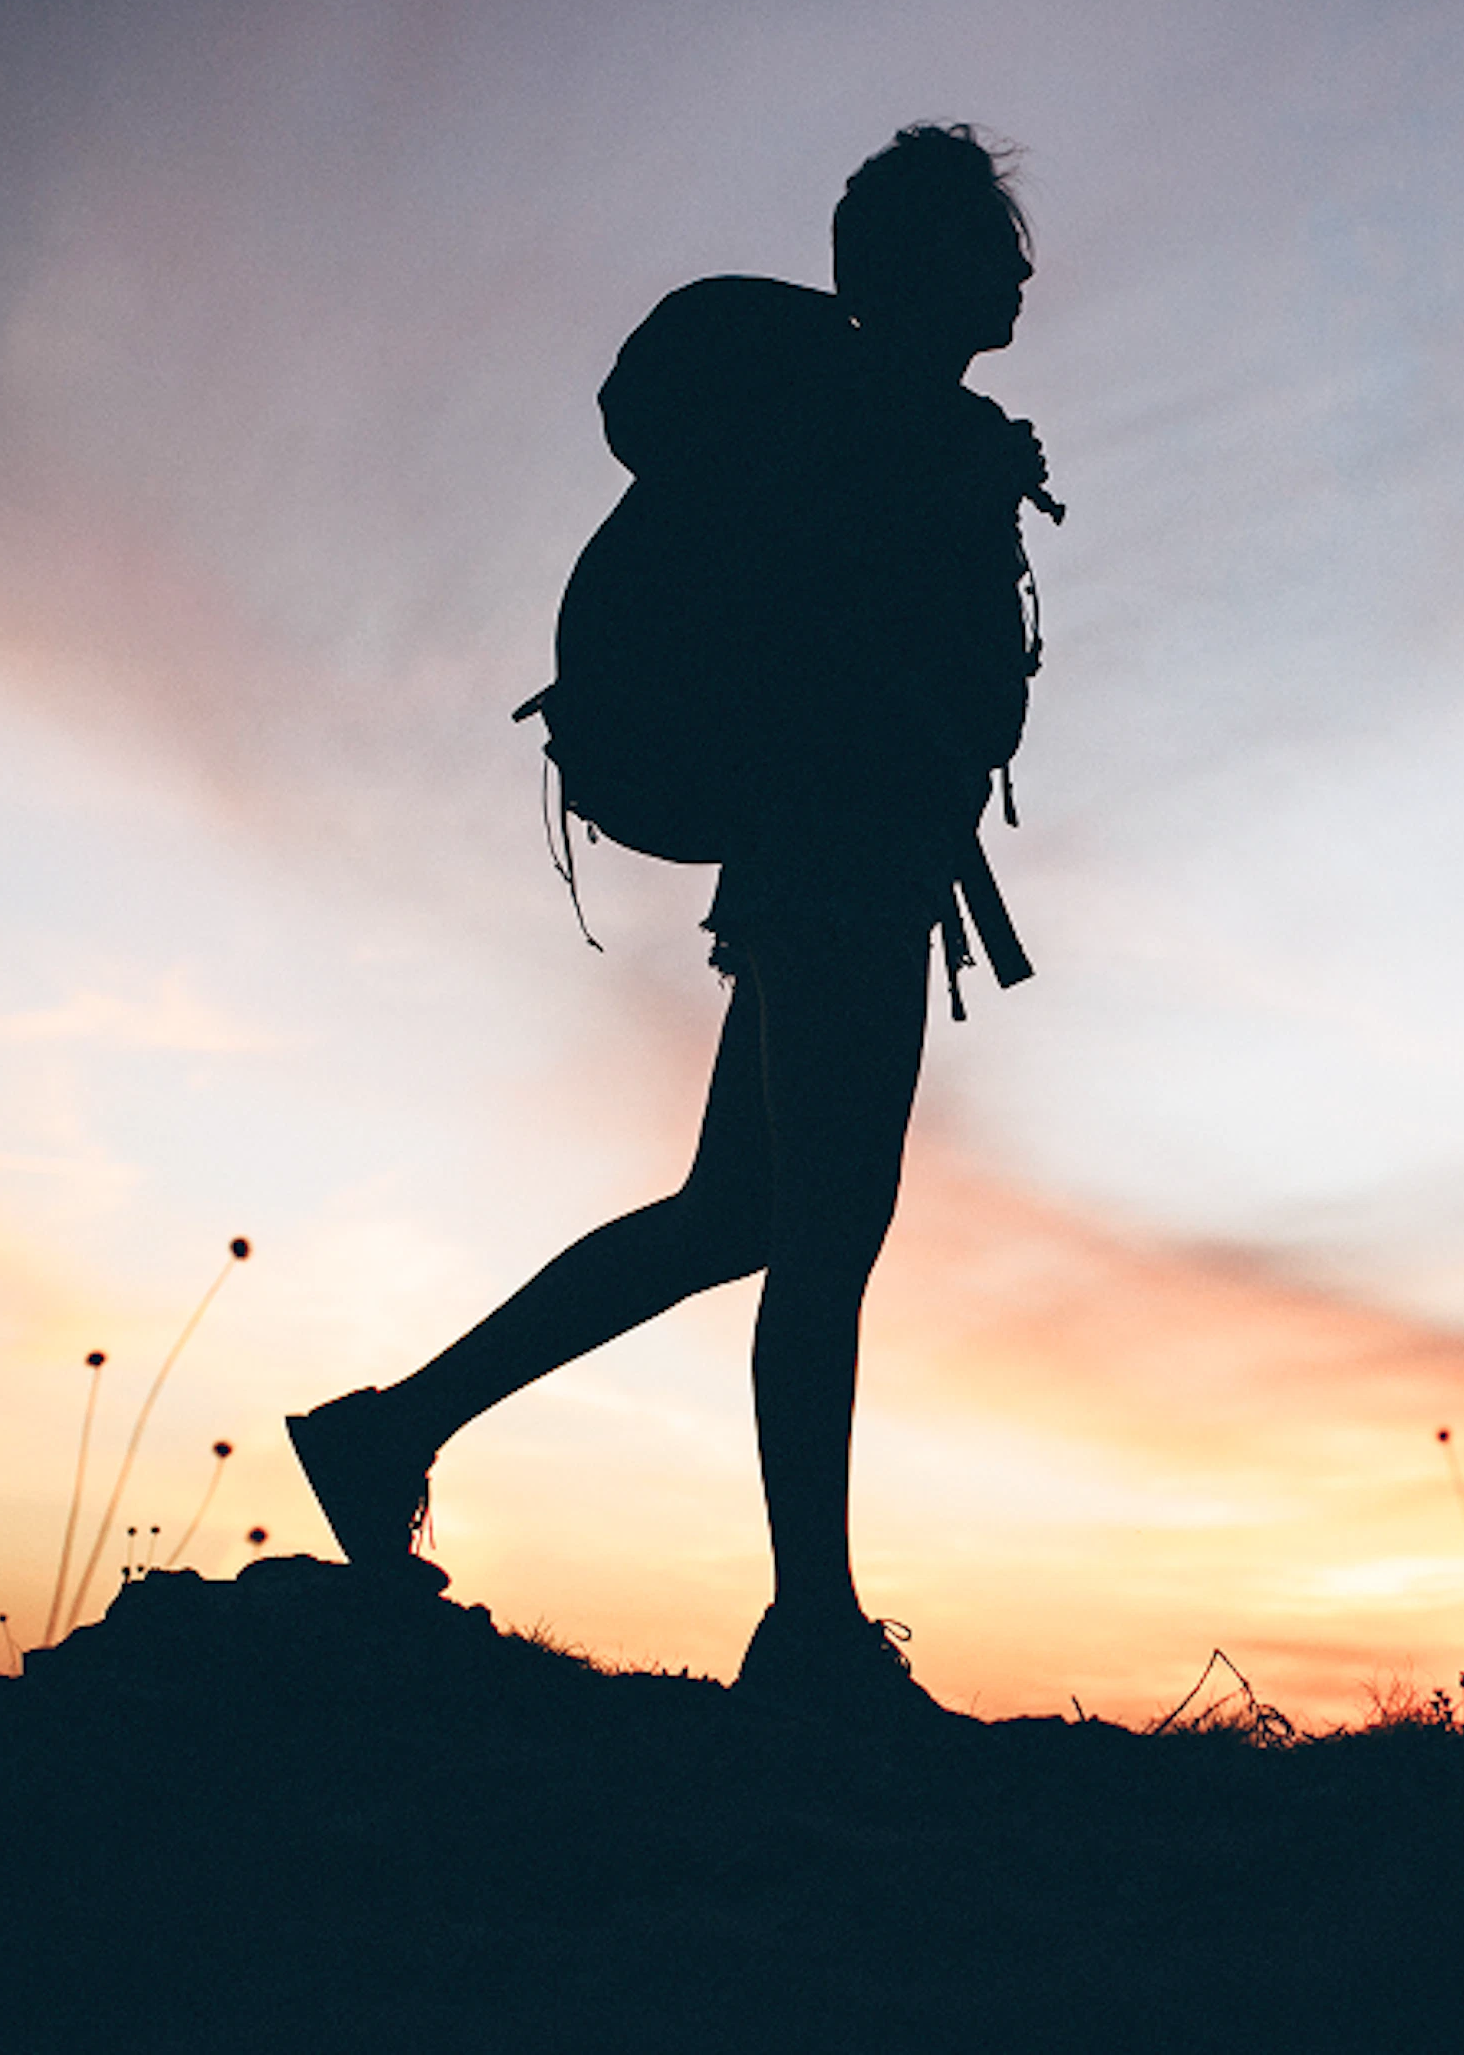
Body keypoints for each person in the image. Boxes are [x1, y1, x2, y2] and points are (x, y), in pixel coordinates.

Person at [288, 125, 1050, 1730]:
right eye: (994, 244)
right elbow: (884, 673)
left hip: (822, 863)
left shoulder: (864, 427)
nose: (1023, 271)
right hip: (843, 869)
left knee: (735, 1219)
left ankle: (388, 1432)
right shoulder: (894, 435)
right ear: (930, 264)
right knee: (824, 1243)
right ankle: (816, 1631)